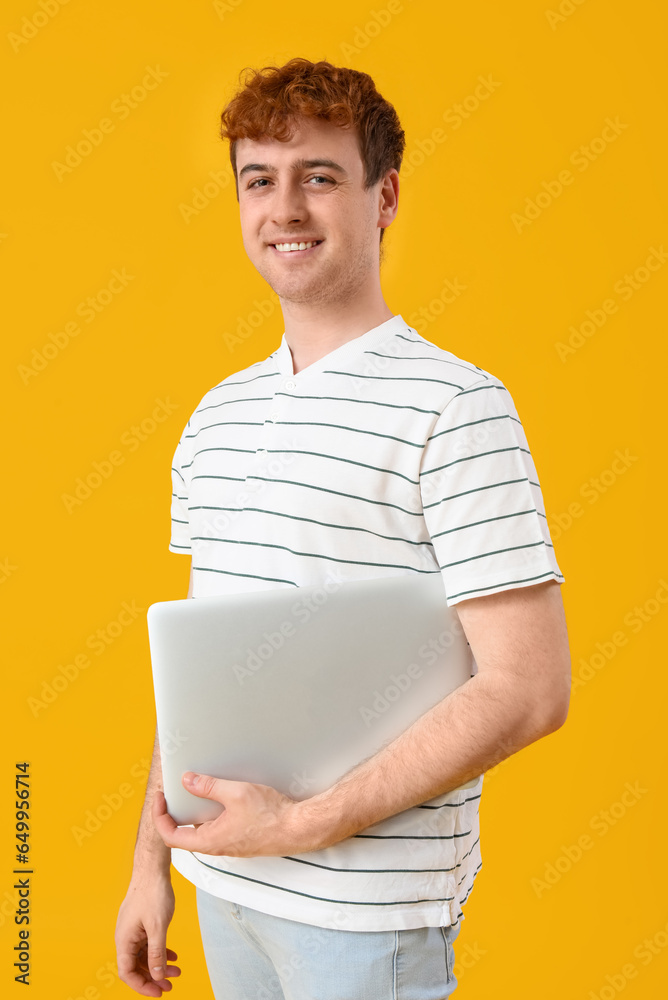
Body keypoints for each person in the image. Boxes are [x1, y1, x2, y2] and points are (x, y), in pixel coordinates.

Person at [115, 57, 571, 999]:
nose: (284, 208)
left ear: (384, 196)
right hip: (218, 886)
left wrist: (303, 825)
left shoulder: (456, 406)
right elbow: (200, 672)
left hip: (364, 918)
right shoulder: (216, 416)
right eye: (259, 180)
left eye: (318, 176)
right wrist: (150, 864)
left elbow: (529, 690)